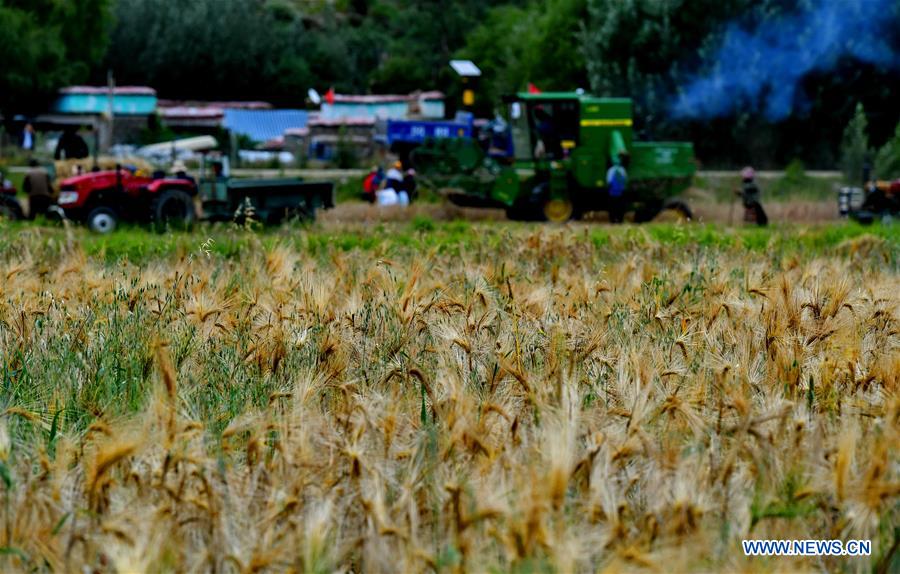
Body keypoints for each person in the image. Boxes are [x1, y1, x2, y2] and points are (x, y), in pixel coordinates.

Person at [606, 152, 629, 223]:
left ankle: (613, 219)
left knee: (613, 206)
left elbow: (609, 181)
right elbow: (625, 179)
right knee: (620, 206)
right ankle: (619, 219)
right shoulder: (622, 170)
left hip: (613, 192)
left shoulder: (611, 170)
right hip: (620, 191)